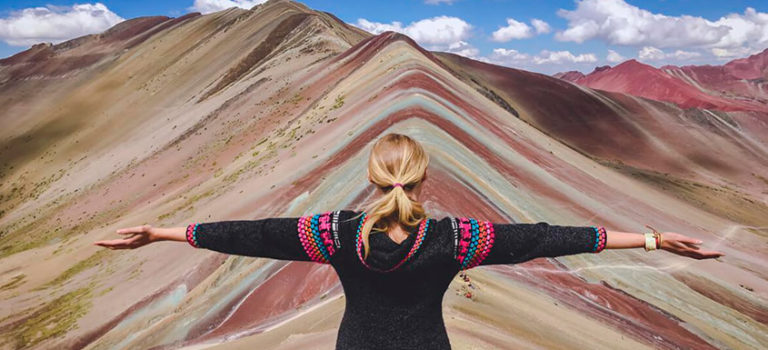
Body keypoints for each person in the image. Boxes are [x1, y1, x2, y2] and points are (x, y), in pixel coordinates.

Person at [94, 133, 725, 349]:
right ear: (425, 176)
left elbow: (253, 235)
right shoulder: (457, 239)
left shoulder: (335, 233)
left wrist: (161, 232)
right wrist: (650, 238)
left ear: (371, 178)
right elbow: (544, 237)